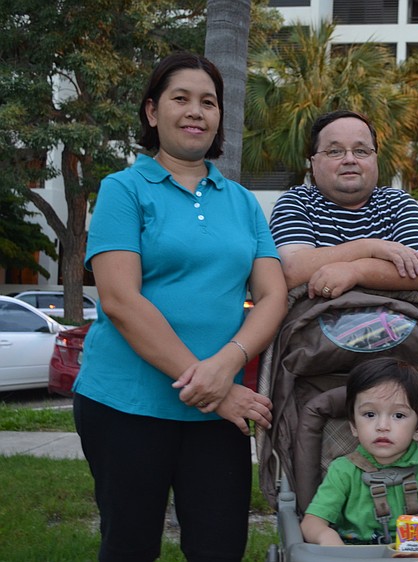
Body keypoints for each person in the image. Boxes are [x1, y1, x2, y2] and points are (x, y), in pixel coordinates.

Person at [72, 52, 288, 562]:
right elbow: (122, 301)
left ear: (218, 119)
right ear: (152, 112)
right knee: (129, 546)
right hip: (125, 406)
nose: (196, 112)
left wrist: (228, 367)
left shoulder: (241, 201)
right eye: (181, 99)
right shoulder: (122, 190)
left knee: (220, 548)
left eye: (208, 102)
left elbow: (273, 294)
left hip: (217, 417)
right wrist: (211, 388)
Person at [301, 357, 418, 550]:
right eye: (370, 414)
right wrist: (326, 536)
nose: (382, 426)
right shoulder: (343, 471)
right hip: (358, 555)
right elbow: (311, 522)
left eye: (399, 415)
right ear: (354, 425)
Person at [268, 110, 418, 299]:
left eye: (361, 151)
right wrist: (369, 248)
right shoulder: (297, 201)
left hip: (396, 325)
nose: (349, 159)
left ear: (375, 160)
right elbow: (291, 270)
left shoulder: (397, 203)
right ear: (314, 164)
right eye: (335, 151)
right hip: (315, 325)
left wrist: (356, 271)